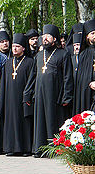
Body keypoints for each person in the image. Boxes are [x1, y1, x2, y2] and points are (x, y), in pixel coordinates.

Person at [23, 24, 73, 158]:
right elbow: (33, 76)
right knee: (40, 121)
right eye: (43, 36)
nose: (45, 39)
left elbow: (68, 77)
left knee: (53, 121)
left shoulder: (63, 54)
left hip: (55, 94)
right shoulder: (39, 55)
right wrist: (27, 93)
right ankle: (39, 149)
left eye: (48, 36)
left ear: (55, 39)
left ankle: (55, 150)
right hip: (39, 94)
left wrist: (66, 96)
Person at [0, 33, 34, 156]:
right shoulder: (8, 63)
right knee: (11, 122)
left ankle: (25, 149)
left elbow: (31, 81)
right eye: (13, 46)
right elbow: (3, 83)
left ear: (23, 48)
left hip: (23, 98)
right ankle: (12, 148)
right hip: (9, 98)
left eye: (17, 46)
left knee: (24, 122)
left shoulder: (30, 62)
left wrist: (27, 96)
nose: (14, 48)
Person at [74, 19, 95, 114]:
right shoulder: (83, 54)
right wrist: (90, 84)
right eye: (92, 33)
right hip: (88, 93)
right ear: (87, 36)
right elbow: (81, 78)